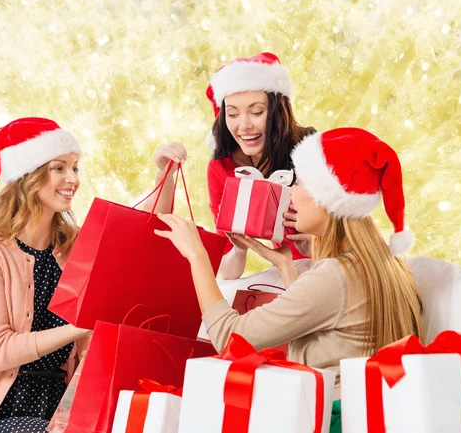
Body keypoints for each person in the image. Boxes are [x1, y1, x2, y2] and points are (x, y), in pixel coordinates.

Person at [155, 127, 424, 432]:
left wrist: (198, 256)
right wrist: (286, 265)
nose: (290, 193)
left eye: (299, 183)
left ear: (325, 199)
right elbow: (332, 327)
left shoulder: (335, 275)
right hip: (364, 415)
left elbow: (230, 337)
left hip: (325, 419)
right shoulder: (386, 265)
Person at [0, 118, 92, 433]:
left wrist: (165, 176)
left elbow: (133, 236)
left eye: (75, 168)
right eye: (59, 168)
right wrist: (77, 327)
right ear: (29, 175)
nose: (73, 179)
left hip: (57, 410)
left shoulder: (74, 246)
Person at [150, 52, 317, 279]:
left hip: (329, 270)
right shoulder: (222, 169)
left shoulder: (311, 152)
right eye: (232, 114)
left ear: (278, 111)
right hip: (286, 276)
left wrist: (319, 240)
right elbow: (228, 271)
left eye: (257, 112)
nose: (244, 125)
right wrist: (239, 248)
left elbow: (356, 242)